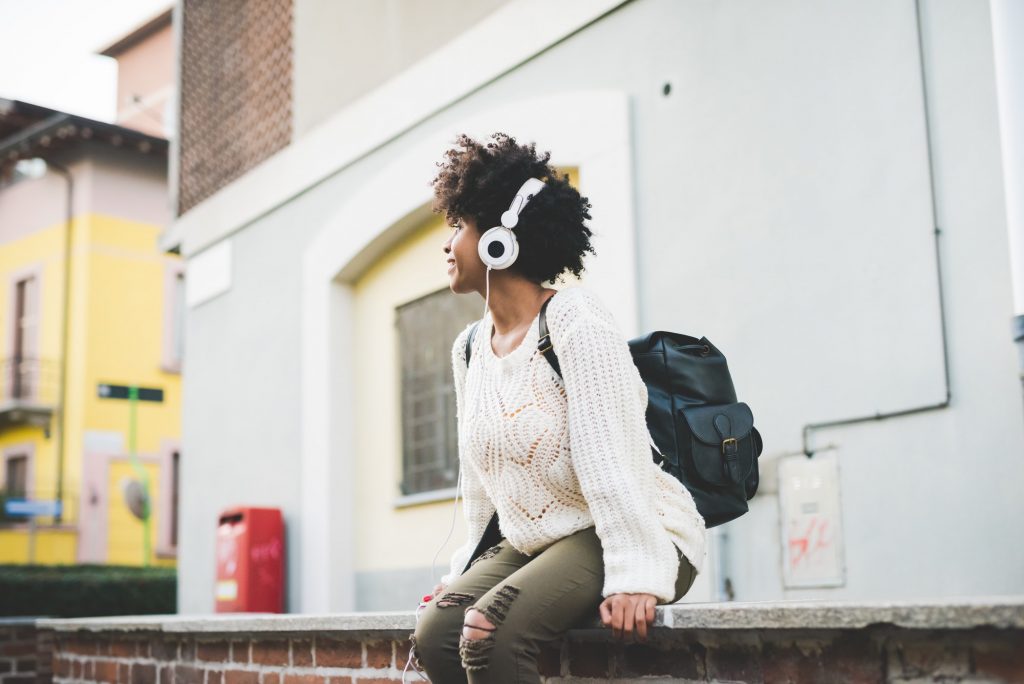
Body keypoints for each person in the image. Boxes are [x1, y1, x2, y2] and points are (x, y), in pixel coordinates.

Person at [411, 132, 706, 683]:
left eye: (459, 226)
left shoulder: (576, 321)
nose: (447, 243)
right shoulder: (470, 348)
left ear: (500, 239)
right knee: (436, 630)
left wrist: (633, 573)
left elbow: (613, 460)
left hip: (633, 527)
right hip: (539, 543)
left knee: (486, 631)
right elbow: (481, 490)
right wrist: (465, 573)